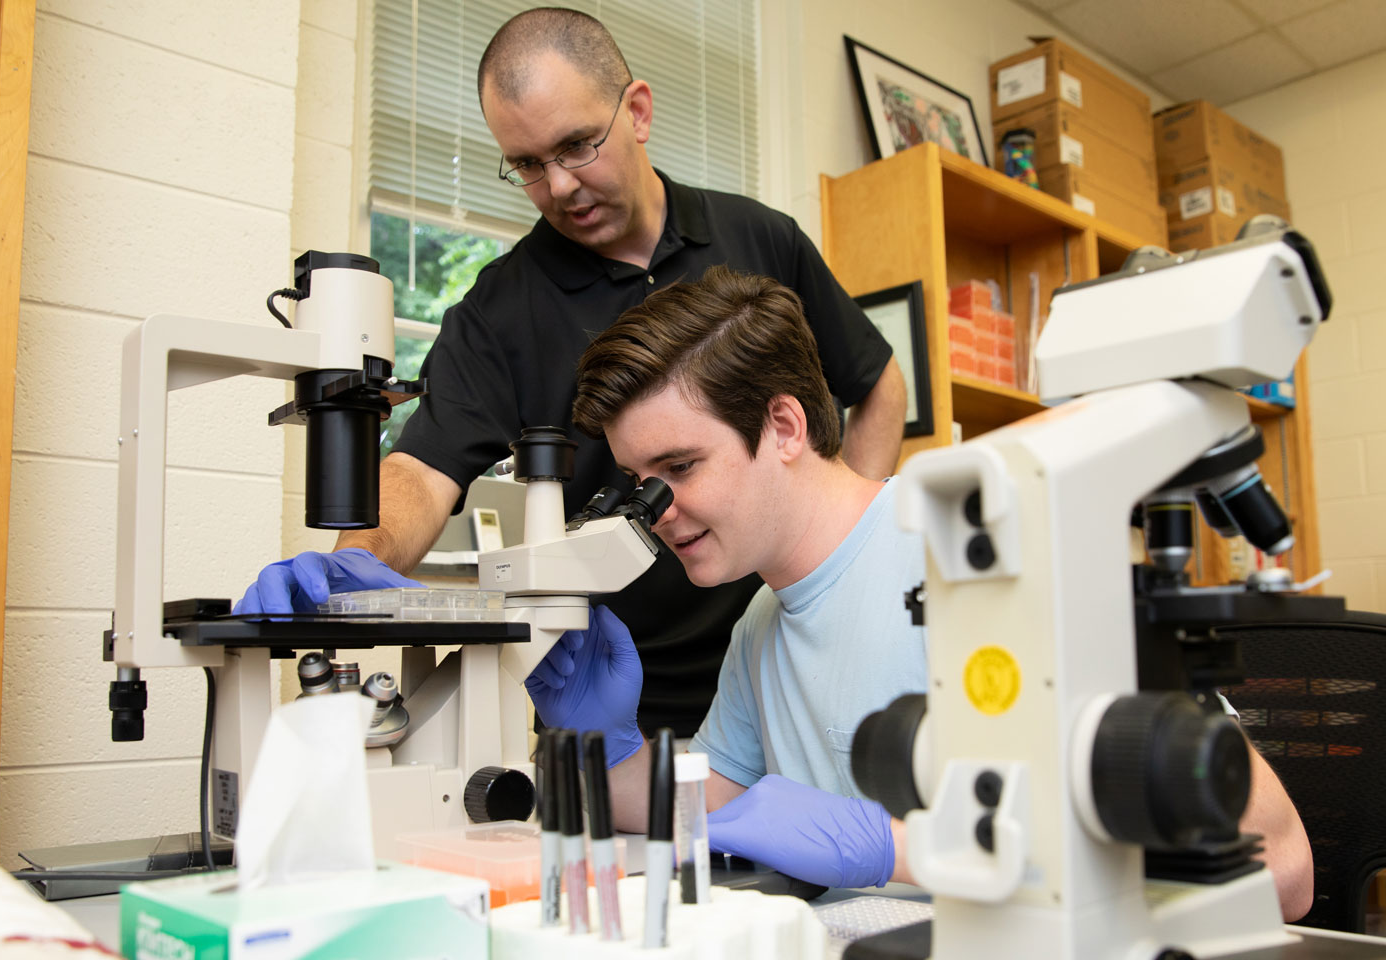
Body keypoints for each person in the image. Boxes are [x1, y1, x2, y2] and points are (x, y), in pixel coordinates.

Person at [528, 265, 1315, 920]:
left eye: (681, 469)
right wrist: (611, 745)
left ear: (785, 425)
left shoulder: (974, 550)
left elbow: (1281, 864)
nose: (657, 514)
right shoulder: (760, 623)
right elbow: (708, 812)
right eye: (640, 484)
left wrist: (899, 850)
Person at [235, 7, 907, 737]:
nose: (558, 186)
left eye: (577, 146)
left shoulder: (760, 238)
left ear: (638, 112)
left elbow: (878, 385)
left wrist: (838, 578)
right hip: (618, 691)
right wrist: (353, 566)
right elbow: (424, 470)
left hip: (789, 665)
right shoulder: (501, 309)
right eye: (527, 164)